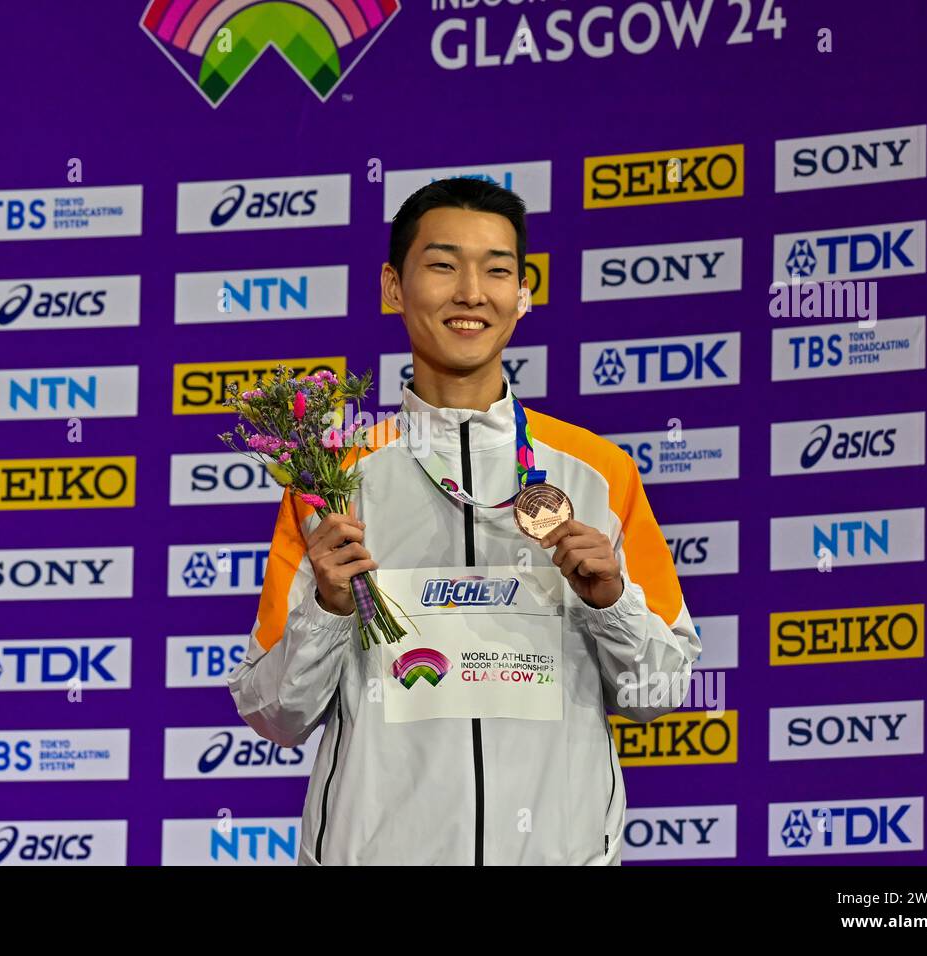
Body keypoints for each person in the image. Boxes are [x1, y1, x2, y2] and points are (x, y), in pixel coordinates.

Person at [228, 177, 701, 865]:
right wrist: (328, 612)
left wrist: (611, 604)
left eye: (497, 270)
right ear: (393, 287)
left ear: (524, 294)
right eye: (444, 265)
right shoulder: (331, 481)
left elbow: (661, 692)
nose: (471, 292)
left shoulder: (599, 473)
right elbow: (275, 715)